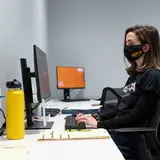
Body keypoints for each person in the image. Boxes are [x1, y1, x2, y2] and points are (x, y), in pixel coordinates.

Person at [76, 25, 160, 159]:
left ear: (145, 48)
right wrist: (95, 117)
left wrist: (99, 125)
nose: (126, 48)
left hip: (131, 141)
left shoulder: (153, 76)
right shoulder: (135, 75)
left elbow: (137, 116)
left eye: (130, 43)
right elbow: (121, 109)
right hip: (121, 133)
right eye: (126, 43)